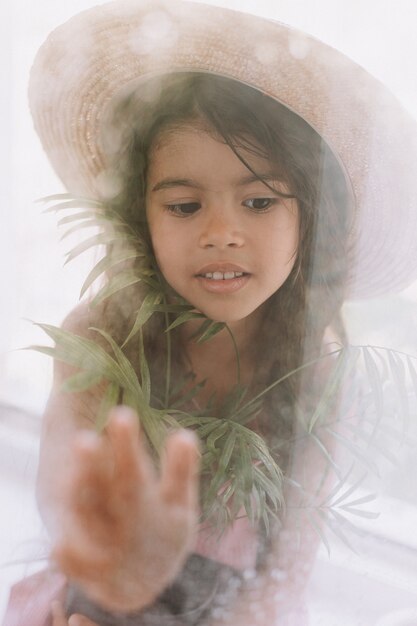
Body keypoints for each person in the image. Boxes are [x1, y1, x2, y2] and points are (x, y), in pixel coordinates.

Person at [4, 1, 417, 625]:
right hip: (99, 588)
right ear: (140, 219)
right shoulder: (102, 335)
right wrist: (115, 569)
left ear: (310, 218)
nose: (222, 232)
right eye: (184, 206)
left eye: (257, 201)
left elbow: (287, 568)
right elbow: (65, 502)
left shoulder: (313, 370)